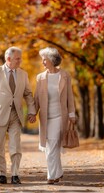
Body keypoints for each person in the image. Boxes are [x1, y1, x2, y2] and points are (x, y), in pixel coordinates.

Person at [0, 46, 36, 185]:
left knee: (15, 146)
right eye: (18, 59)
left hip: (16, 114)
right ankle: (1, 174)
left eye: (21, 58)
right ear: (9, 58)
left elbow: (28, 94)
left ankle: (15, 174)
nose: (20, 61)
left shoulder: (23, 74)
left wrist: (31, 111)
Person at [34, 47, 76, 184]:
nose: (43, 62)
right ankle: (58, 173)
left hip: (60, 116)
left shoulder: (64, 75)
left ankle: (51, 176)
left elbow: (70, 96)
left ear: (52, 60)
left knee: (52, 145)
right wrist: (32, 113)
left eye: (44, 59)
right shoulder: (40, 78)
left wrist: (71, 113)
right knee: (52, 146)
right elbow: (36, 98)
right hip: (46, 118)